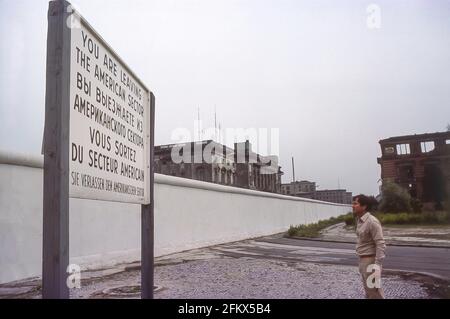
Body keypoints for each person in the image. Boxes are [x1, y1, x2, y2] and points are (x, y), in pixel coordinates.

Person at [352, 194, 386, 299]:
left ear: (364, 206)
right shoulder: (360, 220)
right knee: (369, 293)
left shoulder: (372, 221)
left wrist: (377, 266)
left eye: (355, 203)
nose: (352, 206)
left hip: (370, 262)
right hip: (363, 261)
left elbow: (380, 243)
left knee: (375, 294)